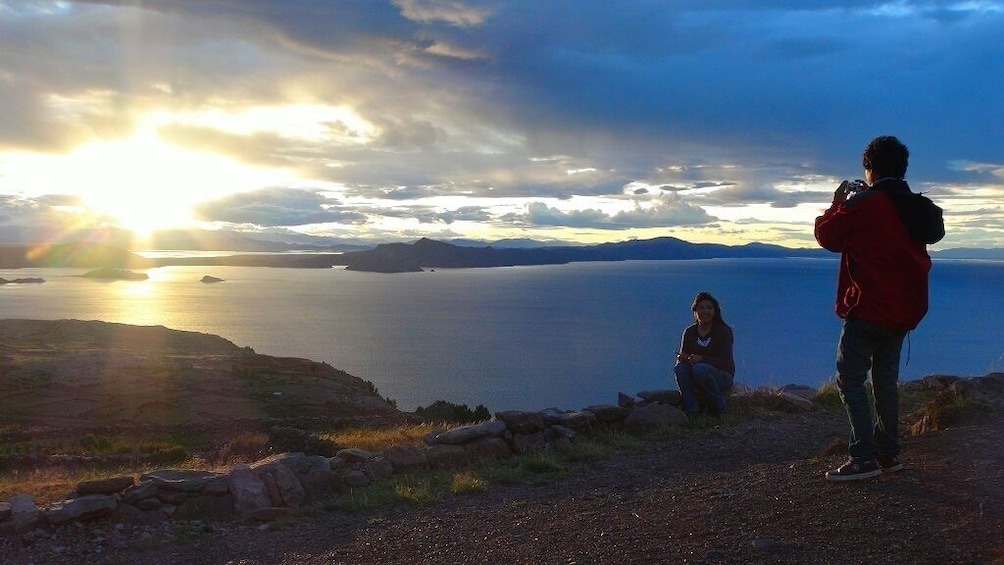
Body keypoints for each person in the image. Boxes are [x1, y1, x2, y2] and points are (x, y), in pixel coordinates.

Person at [814, 135, 944, 481]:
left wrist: (838, 202)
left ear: (869, 168)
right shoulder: (914, 206)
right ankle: (889, 454)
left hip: (869, 308)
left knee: (850, 379)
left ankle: (863, 457)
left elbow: (827, 236)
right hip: (903, 312)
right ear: (902, 168)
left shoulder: (867, 204)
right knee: (886, 381)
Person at [673, 291, 735, 416]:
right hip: (697, 374)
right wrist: (684, 358)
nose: (705, 311)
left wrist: (701, 359)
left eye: (709, 308)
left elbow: (726, 362)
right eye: (701, 308)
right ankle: (691, 409)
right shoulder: (690, 332)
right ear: (695, 311)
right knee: (680, 368)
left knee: (700, 368)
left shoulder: (722, 331)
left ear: (715, 311)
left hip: (721, 376)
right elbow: (683, 358)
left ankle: (719, 406)